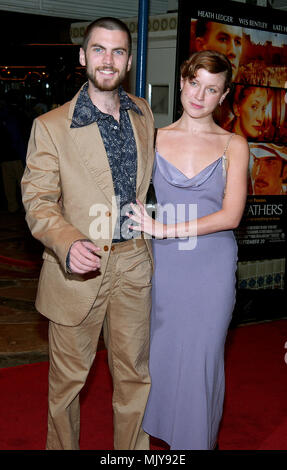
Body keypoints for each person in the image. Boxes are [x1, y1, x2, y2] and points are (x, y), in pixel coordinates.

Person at [21, 17, 154, 450]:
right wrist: (68, 240)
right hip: (80, 270)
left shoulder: (143, 113)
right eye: (98, 49)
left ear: (129, 61)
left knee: (135, 375)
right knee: (68, 385)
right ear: (83, 57)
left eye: (117, 51)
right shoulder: (52, 126)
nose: (108, 60)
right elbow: (38, 201)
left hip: (134, 260)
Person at [128, 50, 249, 450]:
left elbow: (231, 216)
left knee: (202, 361)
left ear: (224, 95)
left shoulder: (234, 144)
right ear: (181, 82)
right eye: (194, 82)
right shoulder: (154, 137)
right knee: (159, 360)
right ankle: (159, 441)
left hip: (211, 267)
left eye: (211, 88)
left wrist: (164, 228)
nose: (200, 95)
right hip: (165, 267)